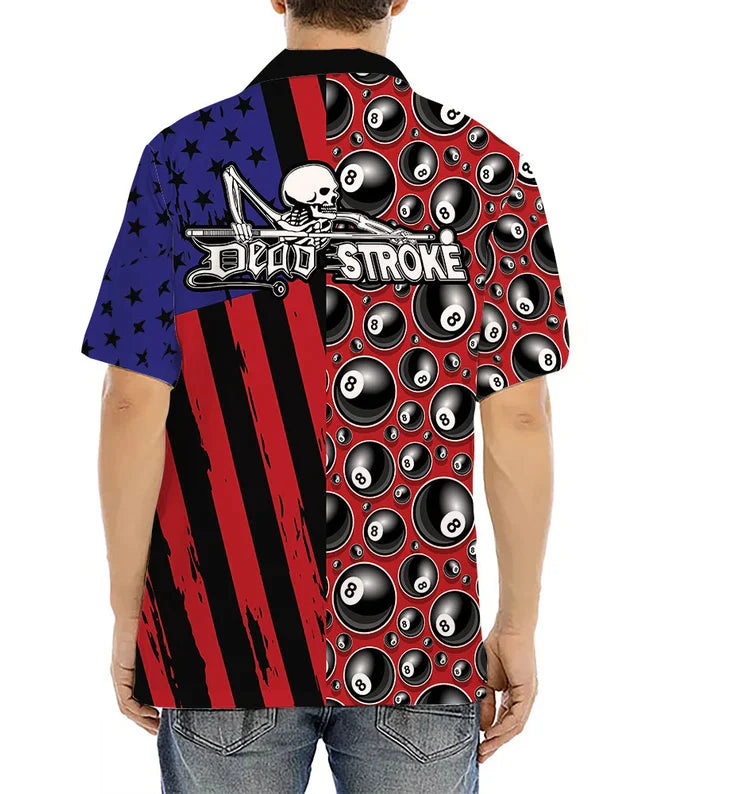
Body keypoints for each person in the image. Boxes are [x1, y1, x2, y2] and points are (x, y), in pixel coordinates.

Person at [81, 1, 569, 791]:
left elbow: (132, 403)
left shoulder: (183, 156)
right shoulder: (485, 165)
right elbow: (520, 415)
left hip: (223, 635)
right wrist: (517, 623)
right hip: (417, 634)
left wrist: (130, 612)